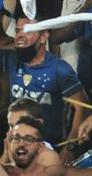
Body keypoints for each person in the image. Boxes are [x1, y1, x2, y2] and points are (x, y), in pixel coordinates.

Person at [4, 18, 86, 146]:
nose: (19, 35)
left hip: (49, 146)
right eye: (18, 30)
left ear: (43, 37)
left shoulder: (60, 69)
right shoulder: (11, 59)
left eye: (28, 31)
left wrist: (70, 146)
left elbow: (82, 107)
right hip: (16, 144)